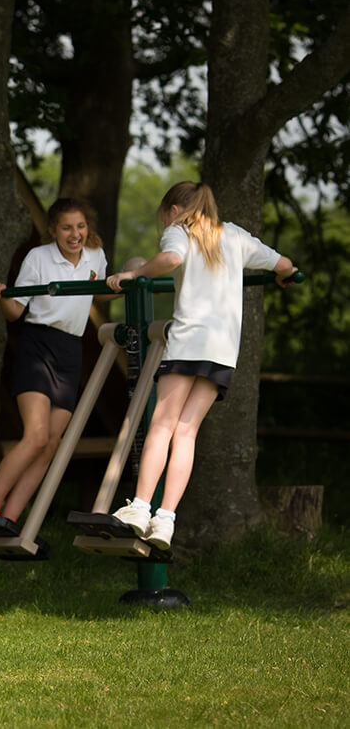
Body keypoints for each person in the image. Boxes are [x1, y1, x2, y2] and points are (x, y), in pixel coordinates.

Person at [107, 181, 295, 550]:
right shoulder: (235, 236)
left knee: (162, 423)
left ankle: (141, 507)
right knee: (187, 432)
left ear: (174, 211)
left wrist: (135, 273)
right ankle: (166, 520)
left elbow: (173, 259)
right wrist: (283, 276)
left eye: (164, 218)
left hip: (189, 341)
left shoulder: (179, 232)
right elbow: (285, 264)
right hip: (223, 349)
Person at [0, 198, 112, 531]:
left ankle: (9, 519)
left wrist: (121, 283)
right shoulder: (38, 258)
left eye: (80, 226)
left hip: (70, 350)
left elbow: (100, 292)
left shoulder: (95, 255)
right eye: (66, 227)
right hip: (38, 346)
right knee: (35, 436)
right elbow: (15, 312)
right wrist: (3, 297)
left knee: (51, 444)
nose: (75, 234)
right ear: (53, 231)